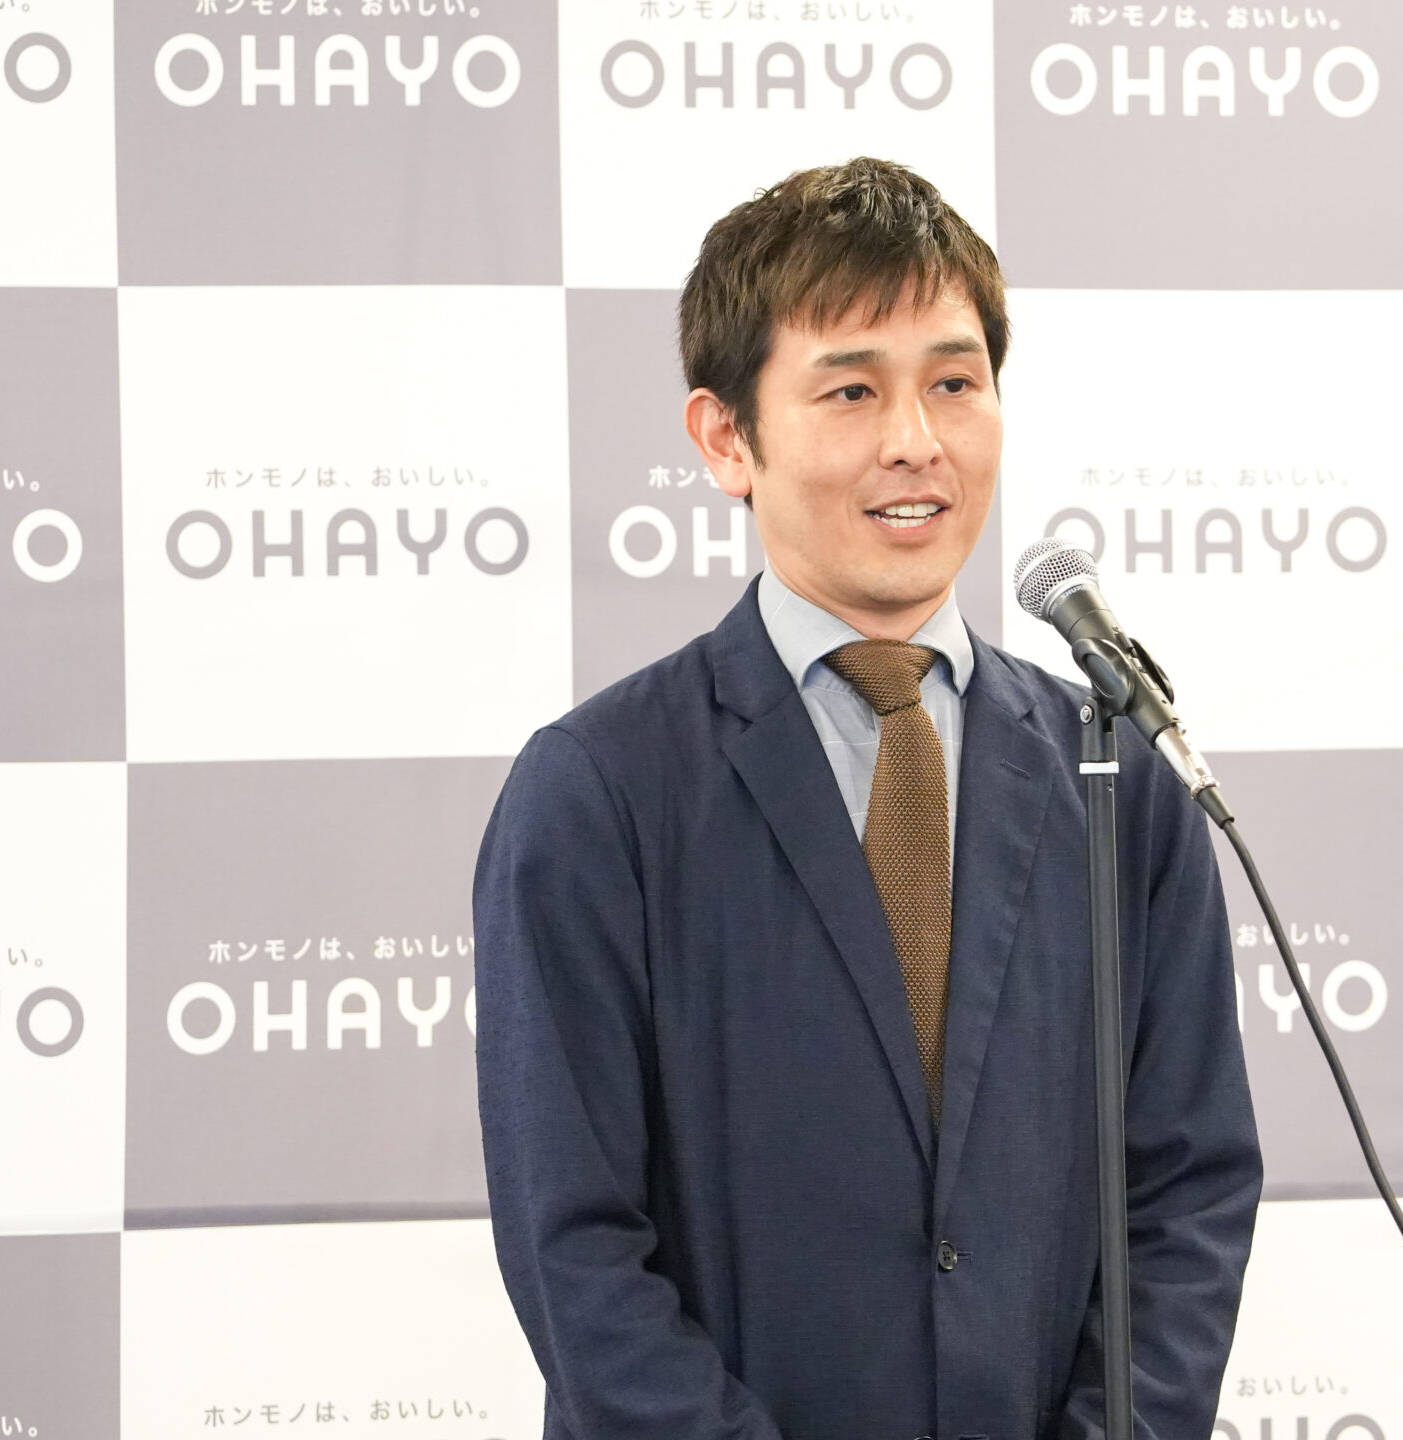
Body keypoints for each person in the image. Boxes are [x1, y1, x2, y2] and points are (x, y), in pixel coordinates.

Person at [473, 157, 1260, 1440]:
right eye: (851, 390)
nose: (916, 441)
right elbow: (576, 1251)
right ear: (725, 438)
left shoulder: (1115, 770)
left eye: (954, 382)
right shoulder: (599, 794)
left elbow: (1188, 1192)